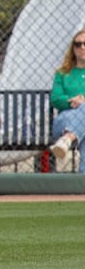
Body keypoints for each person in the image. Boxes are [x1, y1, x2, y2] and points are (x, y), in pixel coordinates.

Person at [49, 29, 85, 171]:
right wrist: (73, 100)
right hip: (64, 122)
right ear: (73, 48)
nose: (82, 47)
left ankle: (68, 138)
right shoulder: (62, 73)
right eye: (78, 44)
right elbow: (56, 99)